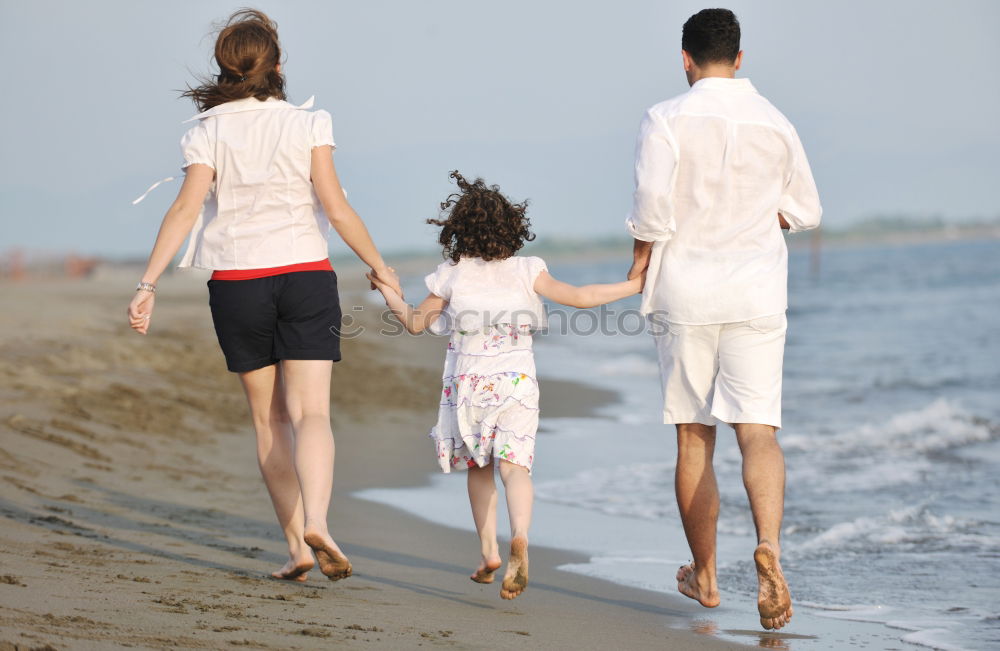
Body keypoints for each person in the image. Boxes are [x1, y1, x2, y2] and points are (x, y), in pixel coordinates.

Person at [126, 9, 402, 583]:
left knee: (268, 420)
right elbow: (335, 205)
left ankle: (297, 549)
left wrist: (148, 283)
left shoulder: (206, 130)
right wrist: (380, 267)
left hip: (237, 283)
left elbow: (182, 211)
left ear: (225, 68)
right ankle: (319, 522)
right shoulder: (309, 123)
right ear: (276, 64)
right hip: (304, 274)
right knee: (312, 414)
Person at [625, 8, 822, 630]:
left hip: (685, 291)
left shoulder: (666, 118)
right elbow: (807, 210)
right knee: (758, 432)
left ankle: (706, 577)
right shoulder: (776, 121)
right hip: (757, 292)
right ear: (740, 58)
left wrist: (638, 267)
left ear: (685, 59)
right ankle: (769, 548)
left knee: (693, 435)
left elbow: (652, 211)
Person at [368, 171, 642, 599]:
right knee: (515, 468)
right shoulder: (527, 270)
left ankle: (487, 553)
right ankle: (521, 538)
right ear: (513, 227)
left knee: (479, 468)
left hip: (469, 384)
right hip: (516, 382)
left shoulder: (452, 274)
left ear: (457, 230)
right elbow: (581, 297)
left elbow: (415, 323)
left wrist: (388, 290)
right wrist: (639, 284)